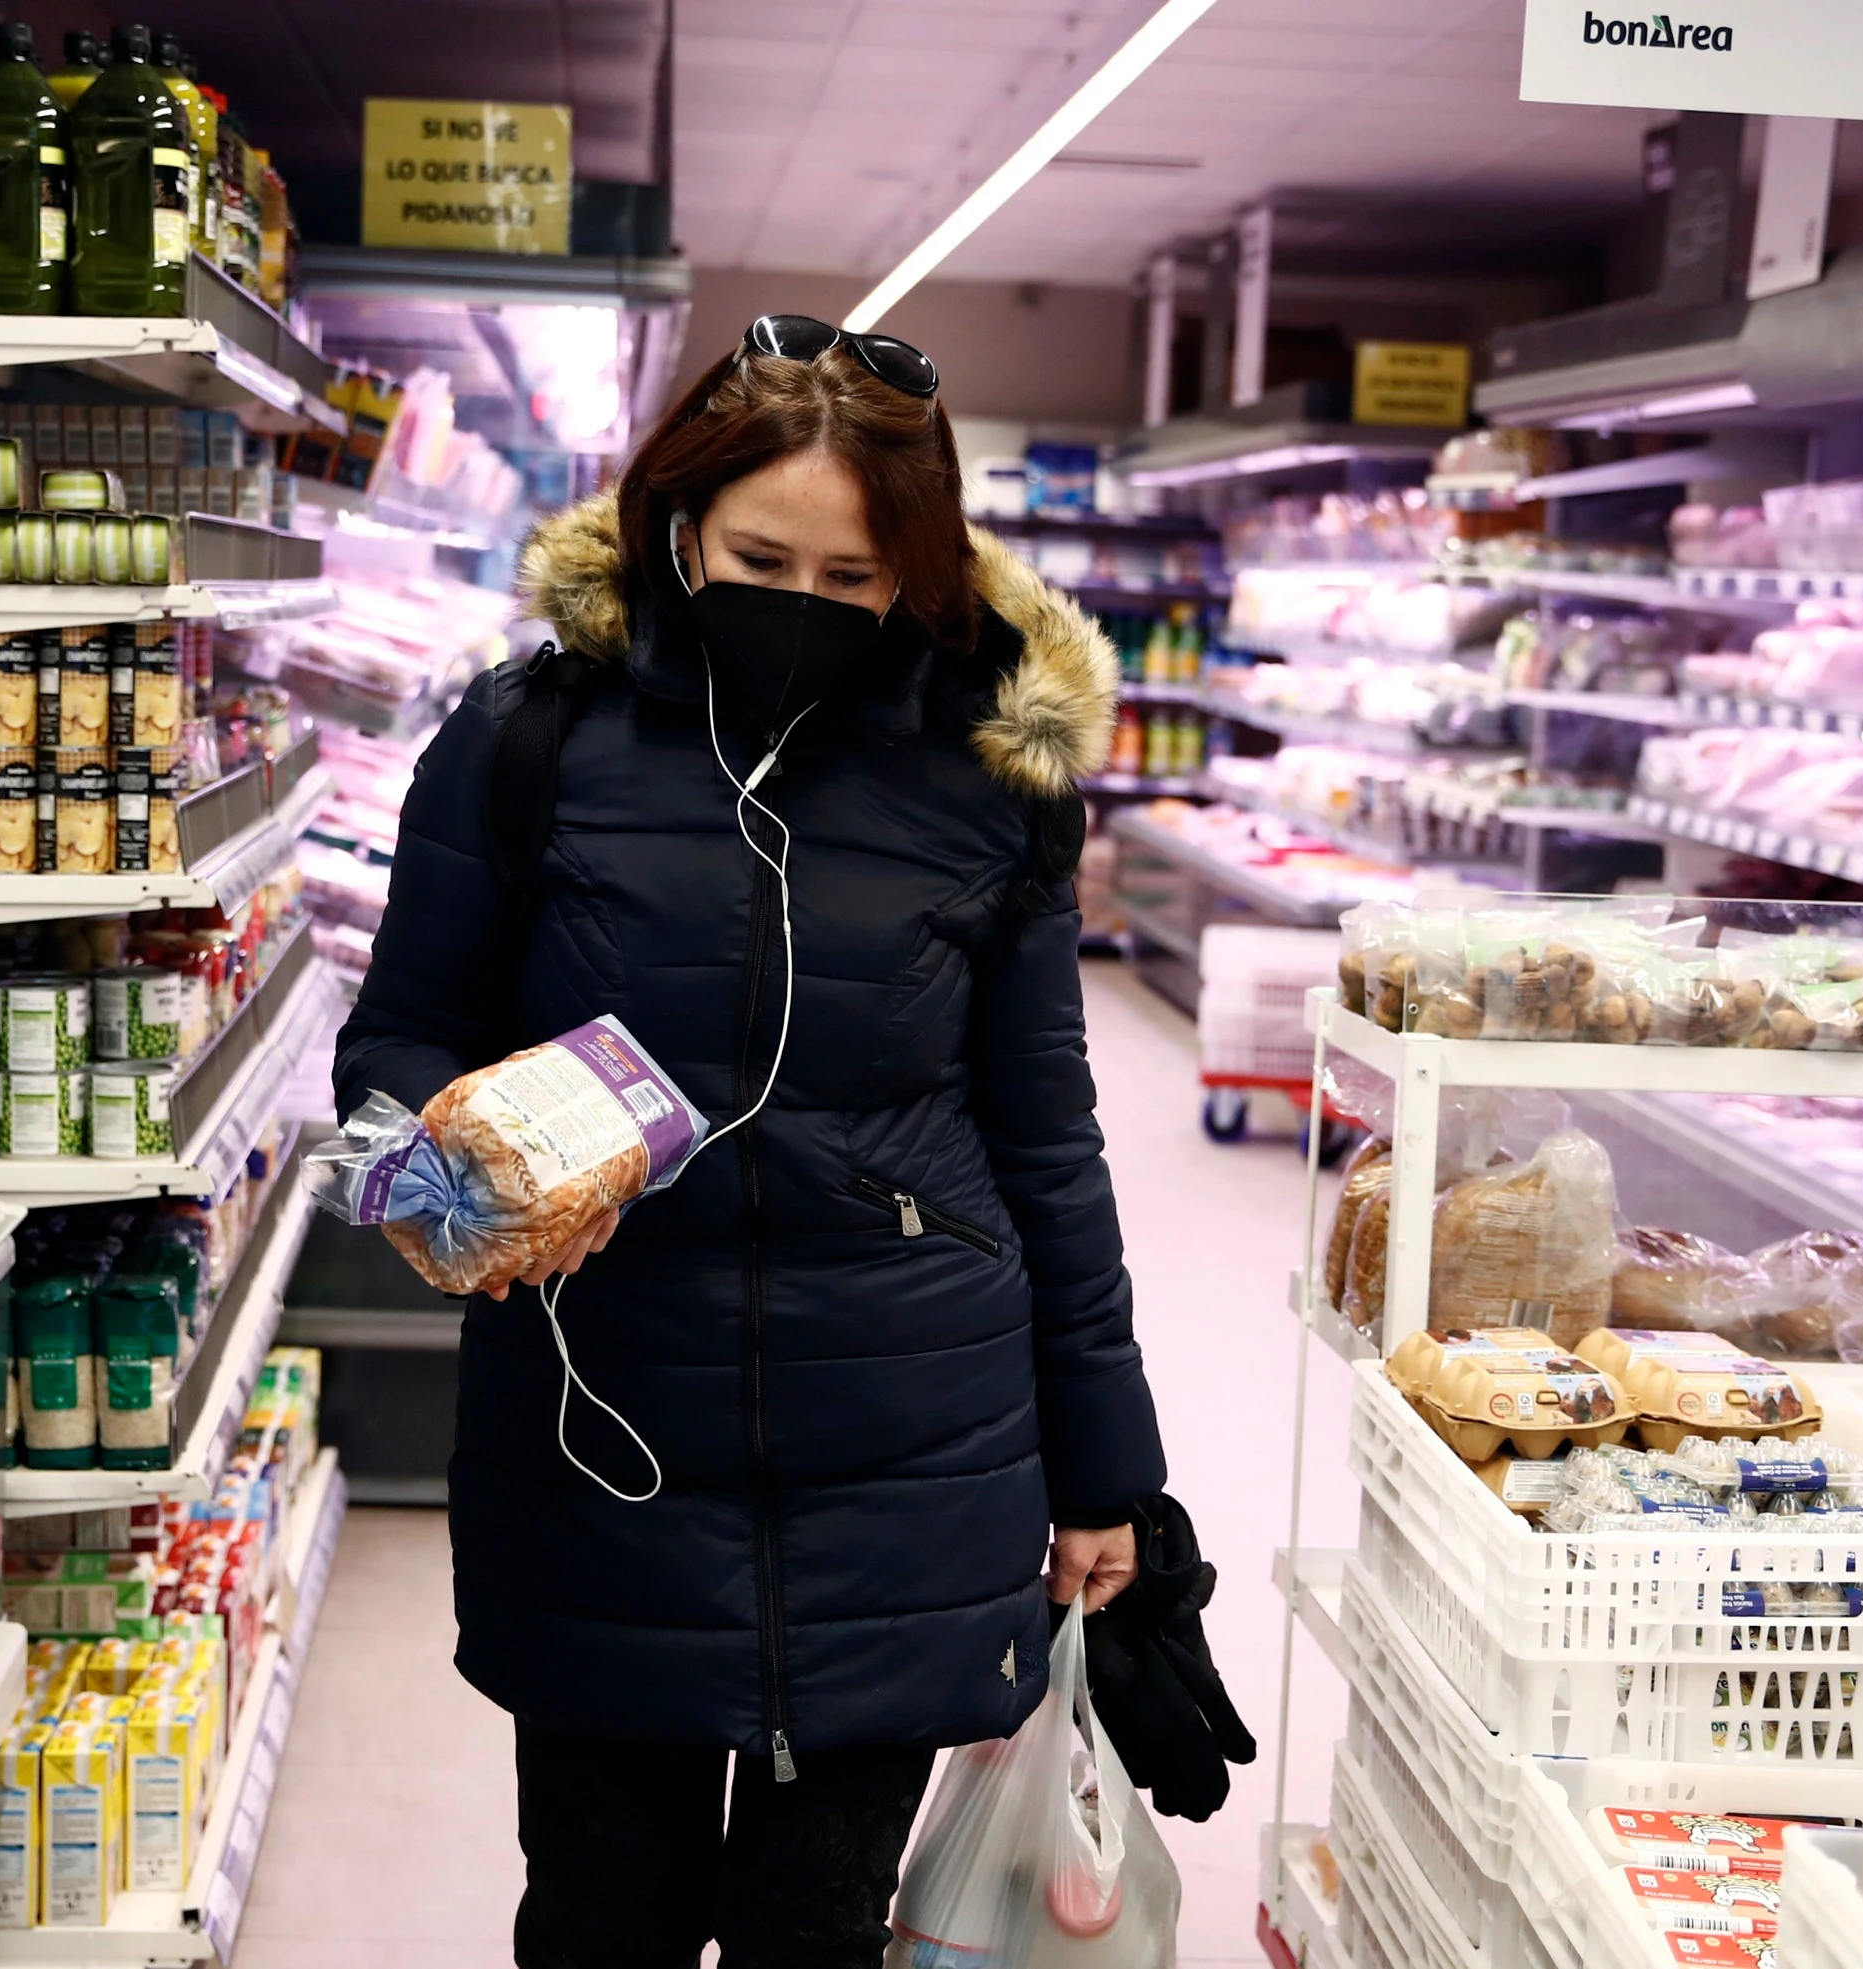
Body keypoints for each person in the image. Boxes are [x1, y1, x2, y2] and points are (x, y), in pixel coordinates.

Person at [332, 314, 1166, 1969]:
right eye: (759, 556)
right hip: (603, 1436)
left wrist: (1108, 1471)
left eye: (853, 581)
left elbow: (1047, 1140)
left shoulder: (992, 779)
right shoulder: (528, 742)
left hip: (909, 1451)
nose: (804, 603)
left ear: (920, 575)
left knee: (818, 1933)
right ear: (676, 528)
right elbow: (395, 1040)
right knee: (598, 1919)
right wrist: (436, 1170)